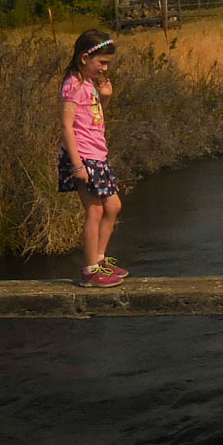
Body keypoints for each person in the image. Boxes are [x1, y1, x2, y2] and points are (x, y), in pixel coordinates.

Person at [58, 29, 127, 288]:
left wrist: (105, 98)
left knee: (113, 207)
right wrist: (77, 165)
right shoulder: (73, 84)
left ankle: (100, 262)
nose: (105, 69)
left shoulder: (88, 84)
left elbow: (95, 120)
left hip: (98, 155)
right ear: (85, 57)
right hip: (83, 157)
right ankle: (90, 272)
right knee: (95, 209)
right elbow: (67, 127)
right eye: (102, 63)